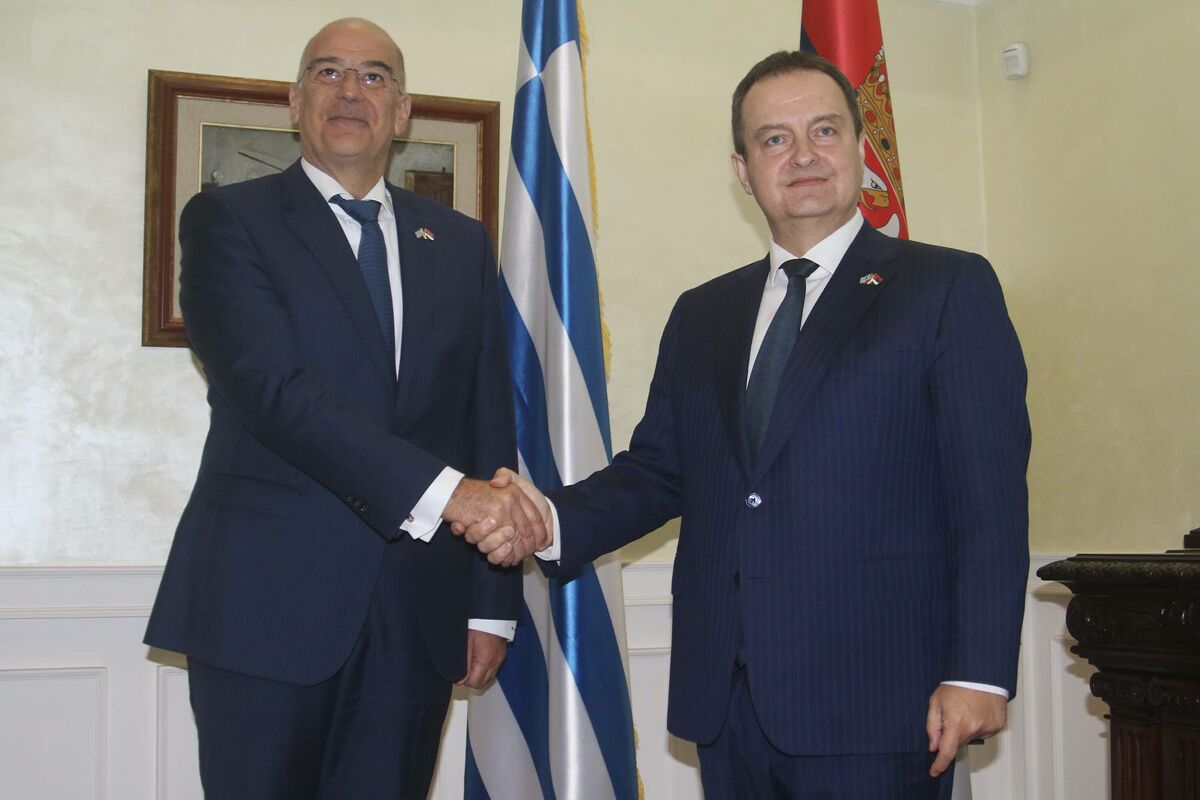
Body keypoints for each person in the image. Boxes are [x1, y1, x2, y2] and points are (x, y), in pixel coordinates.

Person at [467, 50, 1030, 799]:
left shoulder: (946, 287)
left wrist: (979, 671)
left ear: (860, 149)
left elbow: (989, 498)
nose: (803, 155)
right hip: (728, 700)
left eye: (824, 131)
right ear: (743, 169)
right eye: (774, 139)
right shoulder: (705, 313)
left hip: (879, 701)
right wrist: (547, 520)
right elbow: (660, 470)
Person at [144, 18, 548, 799]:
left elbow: (485, 417)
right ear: (295, 103)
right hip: (265, 605)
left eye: (373, 76)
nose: (350, 91)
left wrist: (490, 607)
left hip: (415, 616)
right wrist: (450, 495)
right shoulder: (229, 220)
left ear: (403, 111)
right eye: (327, 73)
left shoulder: (458, 241)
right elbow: (273, 392)